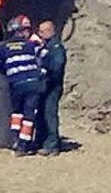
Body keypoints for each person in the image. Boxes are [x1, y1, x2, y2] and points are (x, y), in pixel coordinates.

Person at [0, 15, 43, 156]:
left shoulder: (3, 48)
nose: (28, 33)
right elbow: (44, 55)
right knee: (29, 115)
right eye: (26, 30)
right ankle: (23, 144)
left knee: (17, 113)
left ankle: (15, 139)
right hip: (32, 83)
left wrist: (10, 72)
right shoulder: (30, 45)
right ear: (20, 31)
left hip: (16, 84)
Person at [36, 20, 67, 156]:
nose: (40, 34)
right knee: (41, 114)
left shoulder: (55, 47)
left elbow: (57, 65)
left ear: (49, 31)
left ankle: (52, 144)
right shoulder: (46, 47)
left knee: (49, 114)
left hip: (52, 86)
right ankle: (42, 141)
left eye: (42, 31)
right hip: (44, 86)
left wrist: (46, 72)